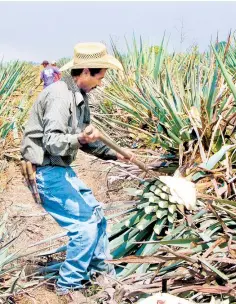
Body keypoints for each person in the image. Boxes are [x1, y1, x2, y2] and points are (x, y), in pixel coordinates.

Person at [21, 42, 132, 303]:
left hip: (60, 168)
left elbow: (87, 139)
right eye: (99, 77)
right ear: (84, 71)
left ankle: (100, 271)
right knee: (84, 229)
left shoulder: (78, 96)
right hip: (47, 172)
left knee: (97, 215)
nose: (101, 84)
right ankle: (68, 285)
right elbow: (53, 142)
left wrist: (116, 153)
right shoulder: (60, 96)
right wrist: (80, 138)